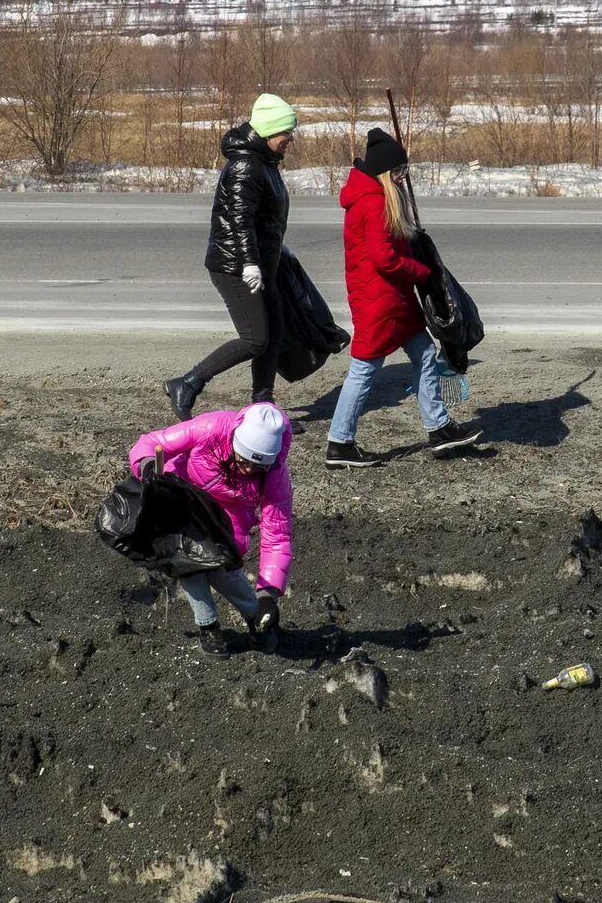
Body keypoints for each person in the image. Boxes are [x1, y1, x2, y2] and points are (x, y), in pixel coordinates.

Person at [323, 127, 479, 466]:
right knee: (364, 369)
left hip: (393, 300)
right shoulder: (373, 203)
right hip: (380, 302)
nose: (401, 177)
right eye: (398, 171)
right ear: (384, 172)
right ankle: (339, 442)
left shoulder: (374, 198)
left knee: (425, 354)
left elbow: (393, 247)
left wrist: (416, 244)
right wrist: (422, 272)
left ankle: (438, 427)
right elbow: (385, 259)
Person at [165, 93, 298, 421]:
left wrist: (274, 250)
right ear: (268, 132)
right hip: (234, 266)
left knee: (275, 331)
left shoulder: (265, 162)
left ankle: (262, 410)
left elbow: (262, 217)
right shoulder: (245, 165)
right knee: (255, 339)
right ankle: (188, 383)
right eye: (286, 133)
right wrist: (250, 263)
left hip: (261, 264)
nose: (290, 140)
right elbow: (238, 218)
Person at [125, 401, 292, 654]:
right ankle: (209, 626)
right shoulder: (209, 428)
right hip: (185, 499)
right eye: (243, 460)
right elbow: (151, 442)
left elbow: (277, 536)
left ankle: (259, 619)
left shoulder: (275, 477)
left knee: (224, 570)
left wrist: (269, 592)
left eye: (258, 467)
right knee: (187, 562)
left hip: (229, 519)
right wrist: (148, 467)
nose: (248, 469)